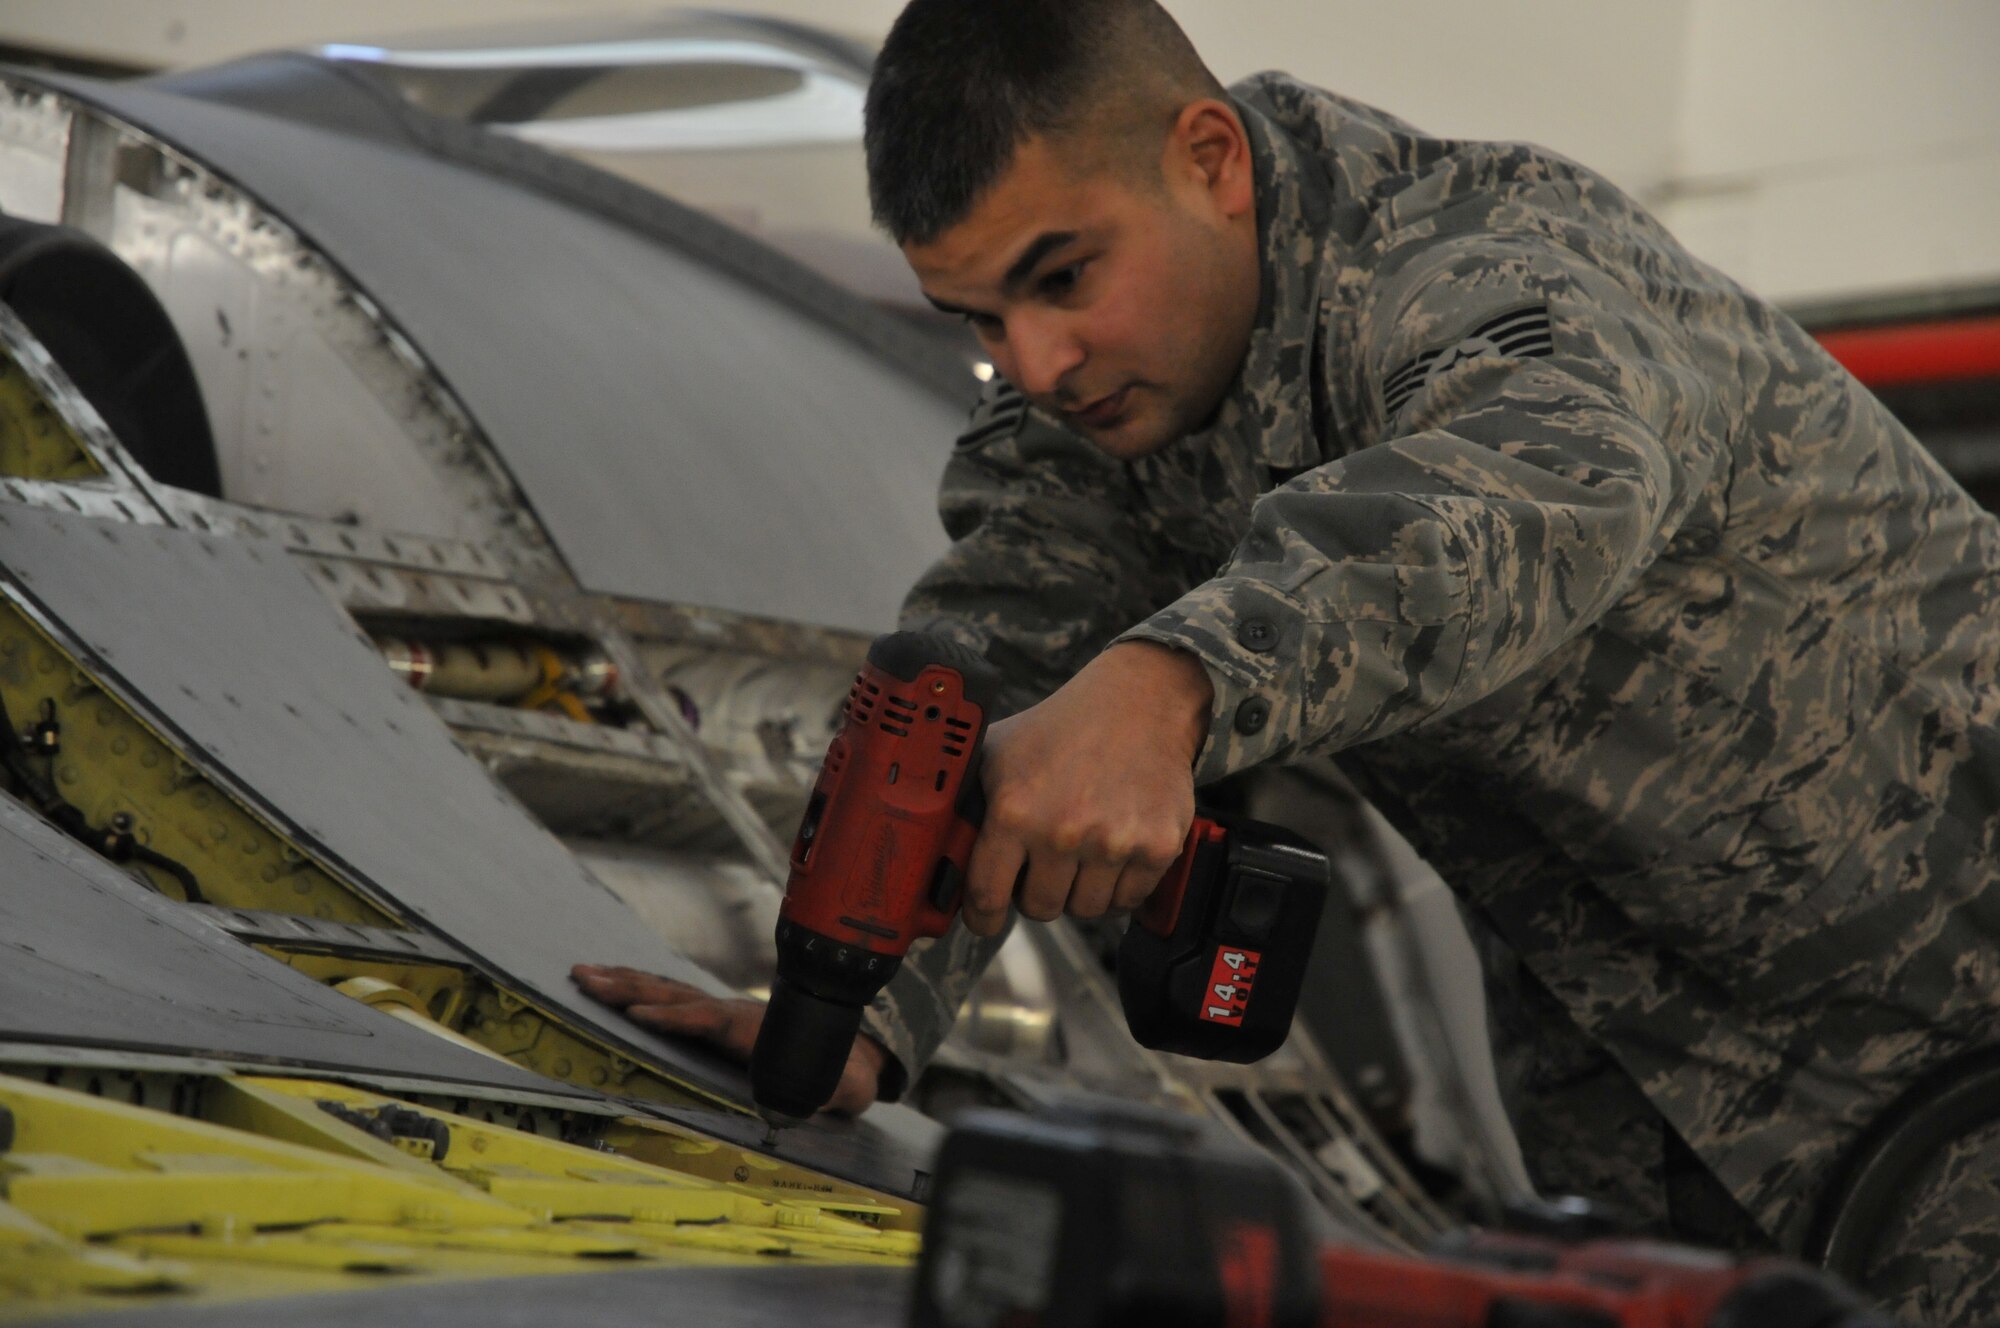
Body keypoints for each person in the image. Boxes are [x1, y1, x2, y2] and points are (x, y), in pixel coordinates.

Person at [577, 2, 2000, 1318]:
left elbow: (1551, 481)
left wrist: (1170, 683)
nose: (1042, 359)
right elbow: (983, 687)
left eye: (1062, 275)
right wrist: (854, 1008)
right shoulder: (1101, 429)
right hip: (1689, 1142)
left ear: (1209, 160)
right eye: (982, 322)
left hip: (1955, 1020)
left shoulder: (1473, 253)